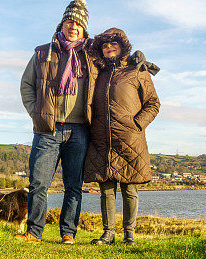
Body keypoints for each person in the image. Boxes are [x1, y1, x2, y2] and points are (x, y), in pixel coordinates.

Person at [16, 0, 97, 245]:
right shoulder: (42, 53)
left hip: (79, 130)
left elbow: (116, 63)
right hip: (47, 130)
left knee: (73, 185)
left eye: (79, 24)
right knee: (39, 183)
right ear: (61, 25)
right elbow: (26, 86)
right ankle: (34, 232)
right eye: (69, 21)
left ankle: (68, 233)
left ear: (84, 30)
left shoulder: (92, 57)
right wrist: (37, 113)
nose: (74, 27)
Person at [83, 28, 160, 245]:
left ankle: (129, 235)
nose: (109, 48)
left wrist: (137, 124)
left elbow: (153, 103)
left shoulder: (137, 70)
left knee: (129, 188)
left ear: (122, 46)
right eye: (105, 45)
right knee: (106, 189)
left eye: (113, 44)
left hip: (129, 139)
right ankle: (108, 234)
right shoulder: (97, 72)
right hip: (101, 139)